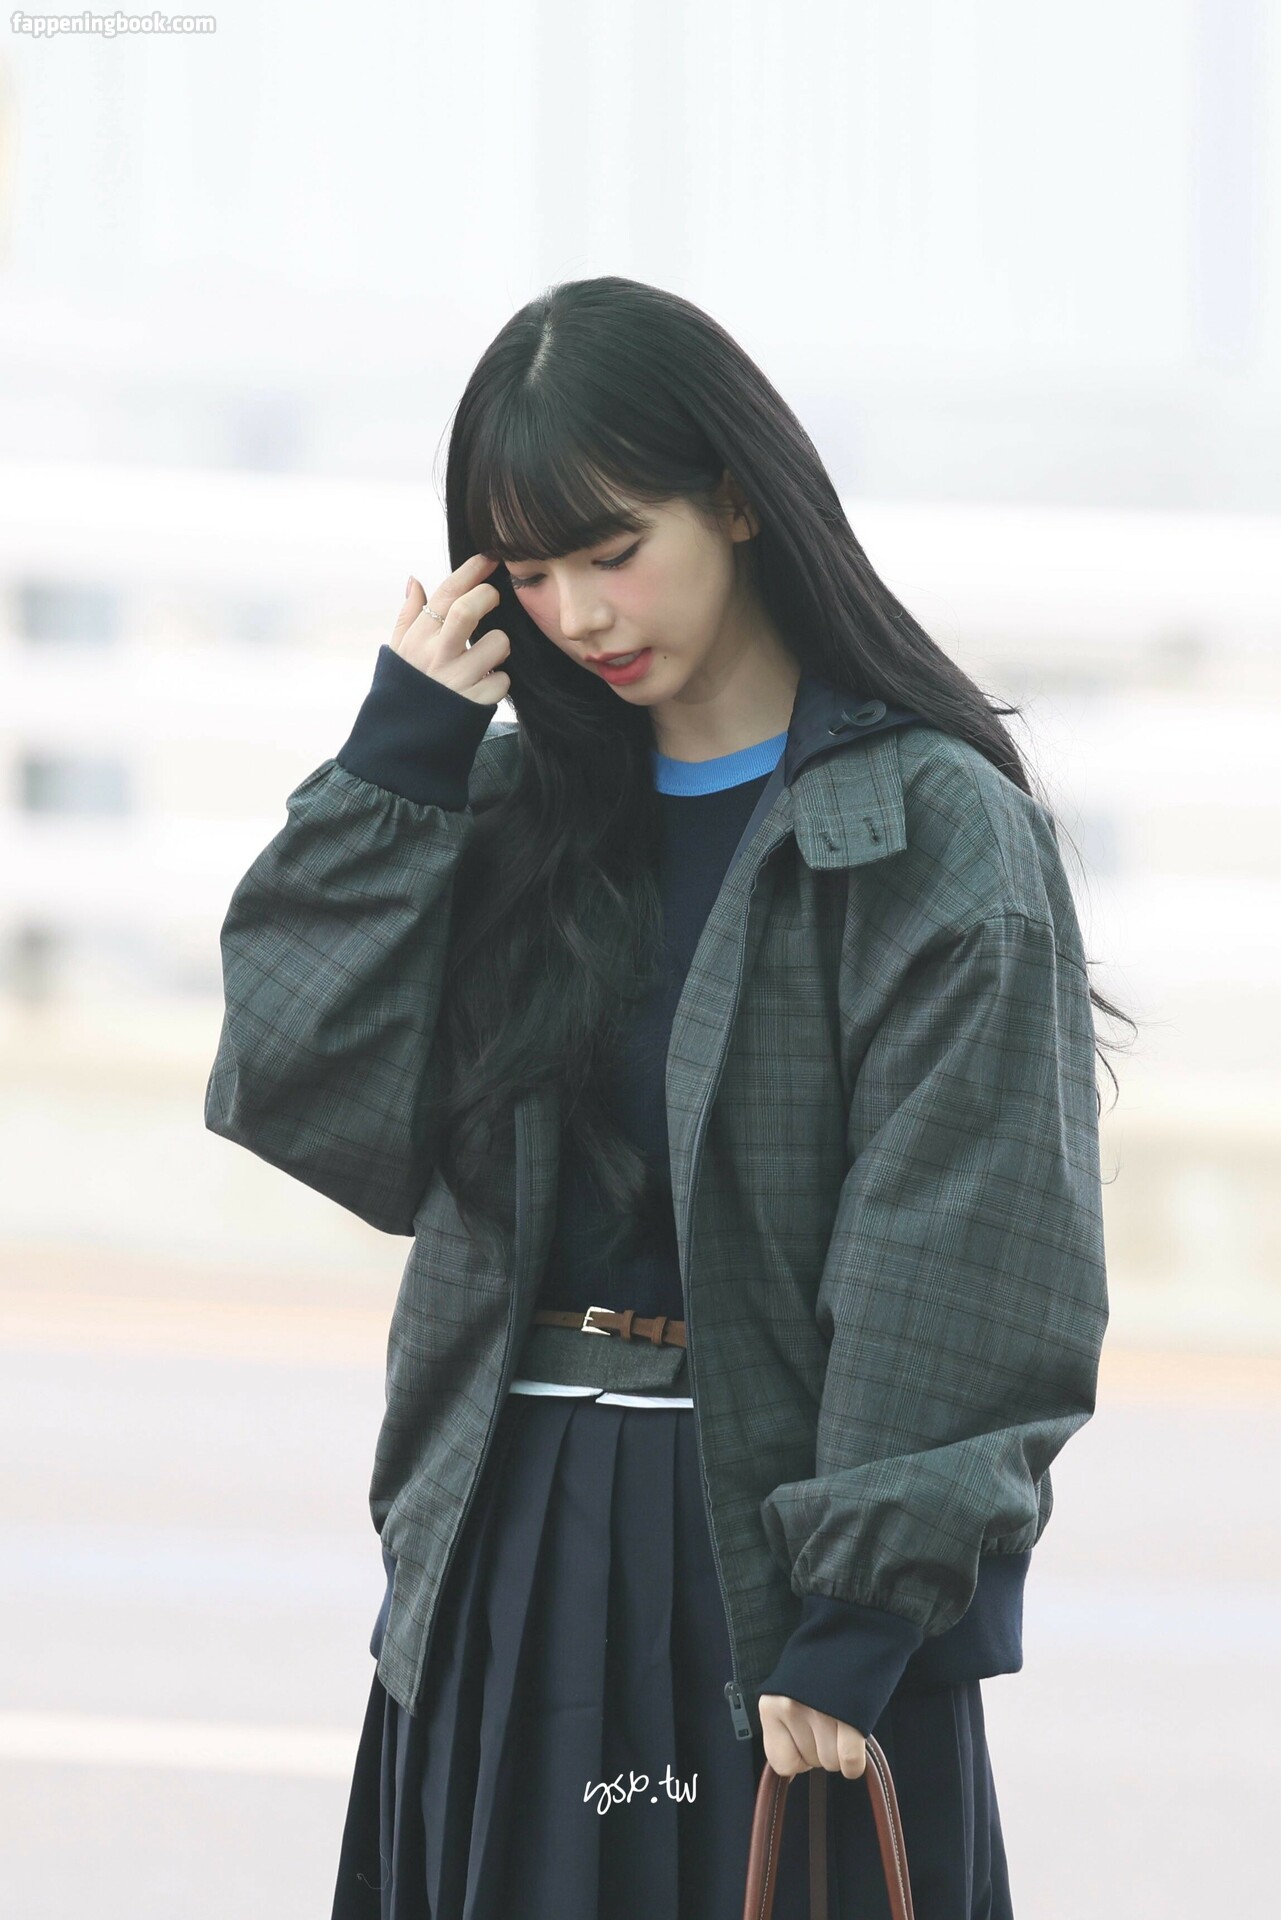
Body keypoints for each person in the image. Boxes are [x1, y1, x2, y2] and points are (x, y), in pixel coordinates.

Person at [205, 275, 1128, 1919]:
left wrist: (858, 1618)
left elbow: (970, 1249)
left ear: (737, 498)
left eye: (611, 549)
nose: (575, 614)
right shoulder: (518, 813)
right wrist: (402, 757)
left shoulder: (926, 830)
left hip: (774, 1576)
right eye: (526, 570)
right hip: (505, 1541)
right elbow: (303, 1087)